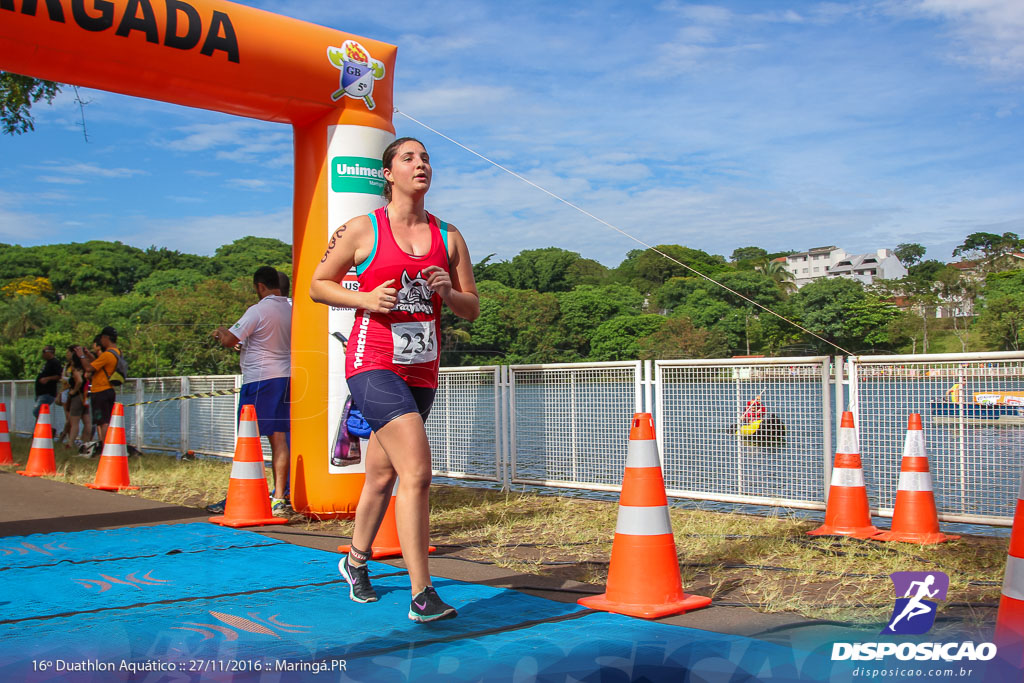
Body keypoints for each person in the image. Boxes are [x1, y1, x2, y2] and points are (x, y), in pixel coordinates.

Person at [310, 137, 479, 623]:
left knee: (382, 474)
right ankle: (422, 593)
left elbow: (472, 307)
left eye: (425, 158)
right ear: (388, 173)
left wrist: (448, 291)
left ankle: (355, 561)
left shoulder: (449, 235)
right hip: (372, 362)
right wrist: (364, 300)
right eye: (408, 158)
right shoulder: (363, 229)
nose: (420, 164)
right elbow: (318, 284)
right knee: (418, 473)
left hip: (422, 368)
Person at [212, 266, 292, 517]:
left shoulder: (257, 310)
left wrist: (220, 333)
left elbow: (230, 340)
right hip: (286, 377)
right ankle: (280, 497)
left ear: (260, 286)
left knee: (249, 439)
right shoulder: (293, 308)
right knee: (280, 438)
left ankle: (243, 494)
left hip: (259, 380)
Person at [76, 327, 121, 443]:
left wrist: (81, 356)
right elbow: (100, 363)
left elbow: (89, 368)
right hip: (109, 390)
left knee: (102, 422)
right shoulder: (117, 353)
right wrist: (89, 355)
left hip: (101, 390)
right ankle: (104, 445)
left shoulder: (107, 355)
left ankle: (105, 446)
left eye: (102, 338)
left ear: (106, 338)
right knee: (104, 420)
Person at [64, 348, 90, 448]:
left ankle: (70, 443)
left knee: (74, 422)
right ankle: (85, 443)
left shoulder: (76, 370)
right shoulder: (86, 370)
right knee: (87, 422)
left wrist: (73, 391)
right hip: (85, 397)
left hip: (77, 397)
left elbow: (79, 381)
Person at [33, 345, 63, 419]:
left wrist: (47, 379)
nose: (42, 353)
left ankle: (47, 429)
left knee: (37, 411)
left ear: (50, 352)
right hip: (40, 393)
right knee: (40, 413)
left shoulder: (55, 362)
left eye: (44, 351)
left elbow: (59, 375)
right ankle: (40, 430)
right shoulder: (47, 363)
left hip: (47, 393)